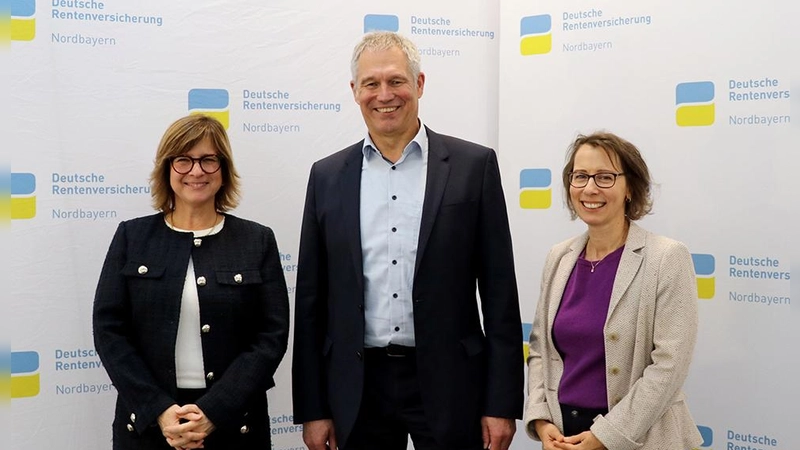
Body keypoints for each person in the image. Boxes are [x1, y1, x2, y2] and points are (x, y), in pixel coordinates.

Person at [292, 31, 523, 450]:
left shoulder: (474, 167)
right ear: (354, 91)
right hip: (358, 387)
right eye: (371, 83)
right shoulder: (326, 177)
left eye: (396, 81)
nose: (385, 95)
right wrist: (313, 408)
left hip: (452, 382)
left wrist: (502, 401)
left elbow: (500, 295)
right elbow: (311, 302)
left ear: (418, 84)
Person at [93, 115, 290, 449]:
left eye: (208, 160)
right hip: (147, 428)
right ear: (167, 169)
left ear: (223, 169)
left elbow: (271, 336)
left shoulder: (256, 240)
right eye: (183, 160)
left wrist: (215, 411)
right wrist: (159, 409)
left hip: (234, 426)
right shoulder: (133, 237)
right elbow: (109, 330)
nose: (196, 172)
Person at [523, 132, 703, 450]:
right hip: (566, 434)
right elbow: (541, 351)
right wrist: (540, 418)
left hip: (640, 438)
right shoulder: (559, 258)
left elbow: (669, 365)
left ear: (630, 187)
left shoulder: (666, 257)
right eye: (580, 176)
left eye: (605, 177)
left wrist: (608, 435)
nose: (590, 188)